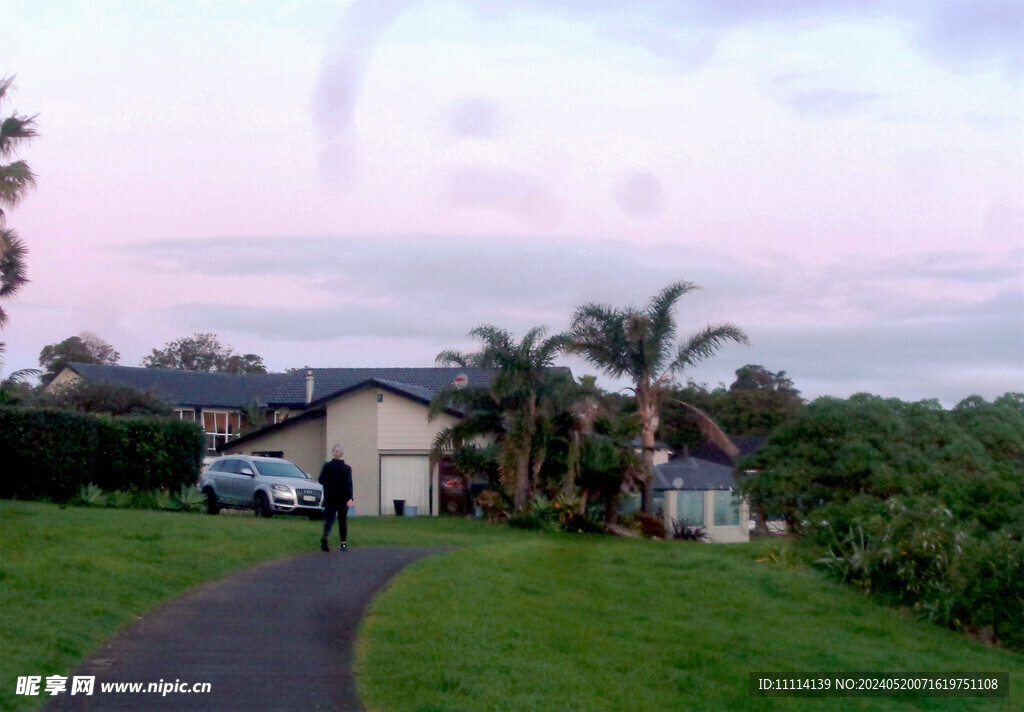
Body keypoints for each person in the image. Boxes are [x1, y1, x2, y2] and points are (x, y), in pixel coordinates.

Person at [318, 444, 353, 552]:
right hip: (341, 498)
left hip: (331, 497)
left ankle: (325, 537)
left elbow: (321, 480)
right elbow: (349, 484)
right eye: (336, 451)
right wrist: (350, 498)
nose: (337, 452)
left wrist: (329, 485)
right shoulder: (346, 468)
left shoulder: (327, 466)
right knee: (342, 520)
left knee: (330, 519)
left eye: (337, 451)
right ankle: (343, 544)